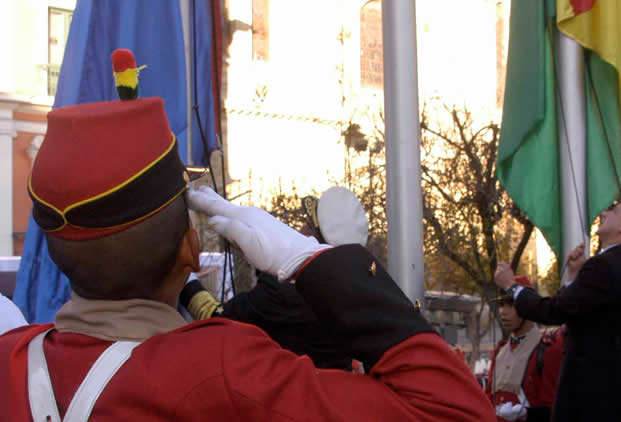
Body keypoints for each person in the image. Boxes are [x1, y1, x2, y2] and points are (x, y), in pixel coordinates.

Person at [0, 55, 494, 420]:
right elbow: (454, 410)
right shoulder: (222, 370)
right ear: (190, 251)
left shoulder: (10, 357)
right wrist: (311, 260)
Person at [494, 198, 621, 422]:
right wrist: (575, 277)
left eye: (614, 211)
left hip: (593, 394)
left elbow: (554, 311)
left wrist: (512, 287)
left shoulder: (604, 265)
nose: (605, 212)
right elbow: (581, 309)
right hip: (615, 390)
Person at [179, 186, 369, 370]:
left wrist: (186, 278)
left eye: (307, 225)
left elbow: (216, 319)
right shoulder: (355, 295)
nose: (299, 230)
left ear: (313, 235)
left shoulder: (286, 293)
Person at [486, 275, 564, 422]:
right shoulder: (499, 350)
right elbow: (489, 397)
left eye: (511, 305)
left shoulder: (548, 351)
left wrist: (527, 415)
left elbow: (555, 409)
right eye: (502, 305)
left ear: (528, 306)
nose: (503, 311)